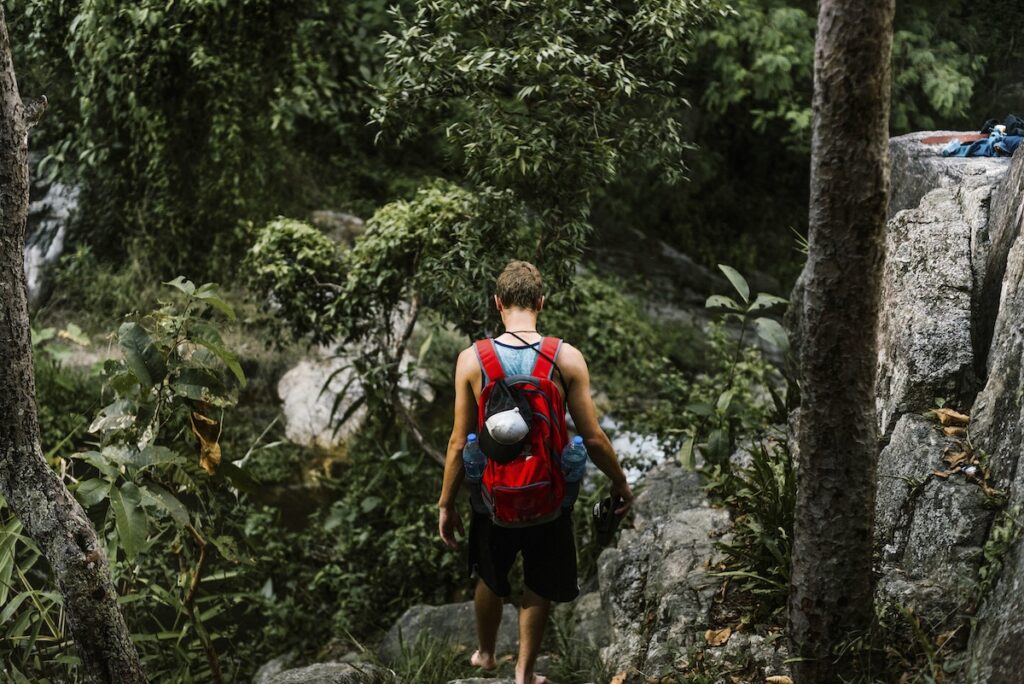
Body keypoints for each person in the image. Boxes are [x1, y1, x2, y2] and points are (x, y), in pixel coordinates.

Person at [437, 260, 634, 684]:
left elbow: (456, 442)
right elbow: (593, 437)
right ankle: (524, 673)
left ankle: (487, 654)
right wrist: (620, 482)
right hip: (550, 496)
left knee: (490, 574)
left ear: (498, 303)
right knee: (540, 580)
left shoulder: (472, 360)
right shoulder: (566, 358)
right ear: (541, 303)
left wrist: (446, 504)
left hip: (493, 499)